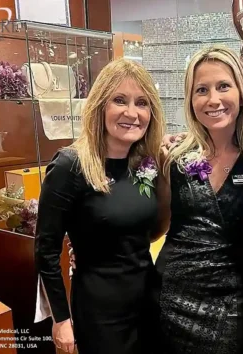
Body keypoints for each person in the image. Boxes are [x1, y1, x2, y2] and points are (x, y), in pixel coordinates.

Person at [34, 58, 165, 354]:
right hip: (100, 313)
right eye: (120, 100)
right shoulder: (70, 165)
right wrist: (60, 320)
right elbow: (46, 250)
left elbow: (147, 231)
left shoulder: (145, 163)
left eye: (142, 103)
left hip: (147, 303)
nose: (132, 113)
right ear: (100, 106)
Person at [151, 45, 243, 354]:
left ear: (240, 90)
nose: (213, 99)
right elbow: (156, 225)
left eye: (223, 86)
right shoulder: (174, 156)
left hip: (229, 305)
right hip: (169, 295)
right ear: (190, 99)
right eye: (201, 90)